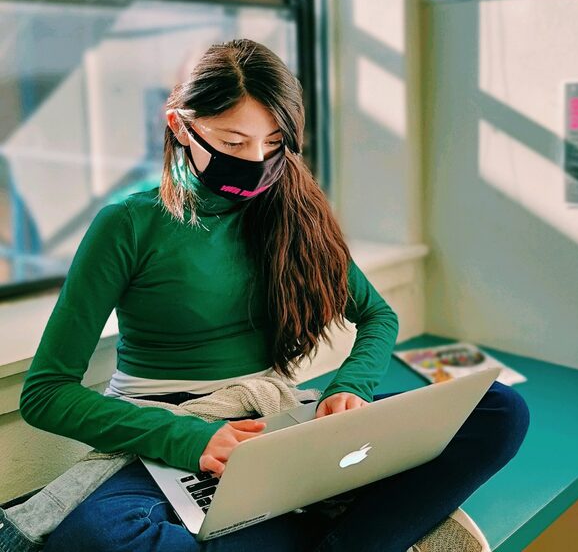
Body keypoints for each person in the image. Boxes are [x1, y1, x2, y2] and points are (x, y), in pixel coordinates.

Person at [17, 39, 530, 551]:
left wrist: (350, 388)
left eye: (274, 142)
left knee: (499, 411)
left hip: (276, 426)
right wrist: (190, 440)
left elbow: (376, 315)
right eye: (234, 142)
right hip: (169, 434)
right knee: (102, 538)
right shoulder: (129, 224)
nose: (258, 161)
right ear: (180, 126)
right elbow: (45, 393)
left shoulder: (296, 212)